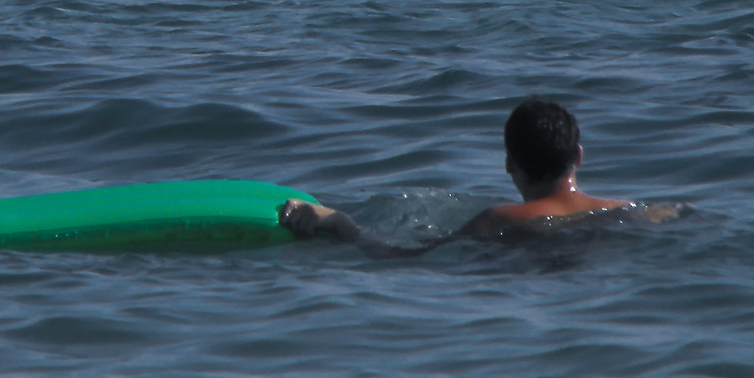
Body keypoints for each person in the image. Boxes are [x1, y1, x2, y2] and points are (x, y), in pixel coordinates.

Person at [277, 98, 678, 256]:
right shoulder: (635, 211)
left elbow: (404, 260)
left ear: (510, 165)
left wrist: (338, 222)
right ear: (578, 156)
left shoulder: (500, 220)